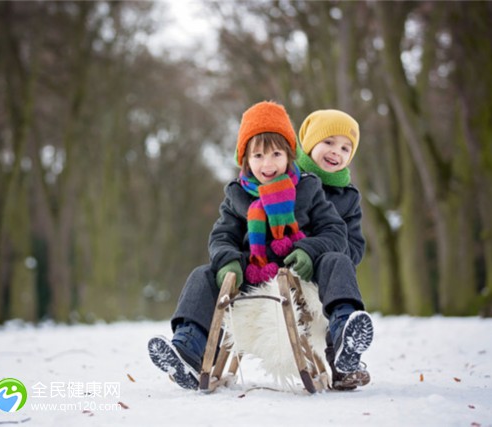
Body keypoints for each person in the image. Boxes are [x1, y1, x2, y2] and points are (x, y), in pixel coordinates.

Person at [148, 101, 371, 391]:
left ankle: (344, 337)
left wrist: (309, 250)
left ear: (290, 155)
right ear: (245, 160)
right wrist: (228, 260)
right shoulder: (237, 197)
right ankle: (188, 348)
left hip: (299, 272)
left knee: (336, 260)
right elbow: (221, 236)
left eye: (277, 154)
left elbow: (335, 231)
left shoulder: (307, 189)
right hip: (251, 273)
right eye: (259, 155)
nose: (268, 164)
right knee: (201, 274)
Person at [297, 109, 373, 390]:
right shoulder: (290, 181)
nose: (335, 152)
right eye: (328, 142)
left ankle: (345, 351)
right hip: (290, 261)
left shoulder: (348, 197)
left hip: (328, 271)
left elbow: (355, 244)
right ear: (308, 143)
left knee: (337, 261)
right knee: (334, 259)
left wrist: (335, 256)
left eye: (345, 147)